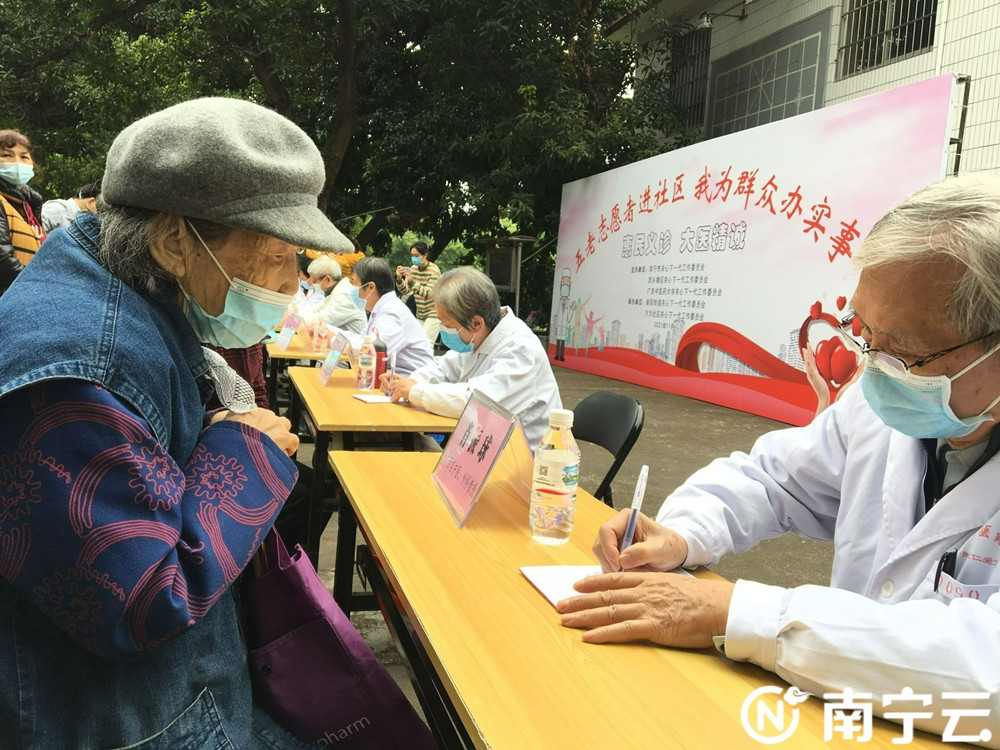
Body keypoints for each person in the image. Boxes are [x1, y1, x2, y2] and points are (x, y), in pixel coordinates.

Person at [559, 173, 1000, 744]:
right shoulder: (878, 410)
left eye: (904, 352)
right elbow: (770, 479)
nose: (875, 369)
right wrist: (682, 534)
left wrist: (739, 614)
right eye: (866, 338)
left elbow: (984, 670)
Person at [0, 97, 354, 749]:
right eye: (278, 254)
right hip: (137, 723)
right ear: (173, 243)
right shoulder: (81, 370)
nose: (291, 282)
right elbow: (139, 598)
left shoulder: (118, 290)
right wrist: (243, 452)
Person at [385, 266, 562, 446]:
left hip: (523, 457)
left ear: (476, 323)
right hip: (482, 445)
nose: (443, 330)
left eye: (447, 325)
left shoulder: (521, 351)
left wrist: (415, 391)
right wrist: (405, 383)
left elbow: (474, 402)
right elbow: (443, 369)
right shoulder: (477, 336)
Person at [351, 255, 434, 376]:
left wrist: (334, 340)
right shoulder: (381, 309)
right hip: (392, 377)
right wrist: (332, 334)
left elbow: (370, 353)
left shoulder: (392, 313)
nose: (352, 289)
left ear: (370, 287)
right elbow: (361, 339)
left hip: (410, 380)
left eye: (354, 283)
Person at [0, 129, 44, 294]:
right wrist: (42, 286)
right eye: (6, 155)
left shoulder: (29, 207)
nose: (17, 162)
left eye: (24, 157)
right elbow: (3, 263)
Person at [395, 240, 441, 343]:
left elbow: (429, 293)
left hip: (433, 312)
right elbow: (405, 290)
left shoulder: (434, 270)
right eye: (412, 255)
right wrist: (399, 279)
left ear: (425, 255)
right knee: (415, 342)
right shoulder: (413, 269)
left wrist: (411, 281)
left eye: (416, 255)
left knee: (426, 343)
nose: (414, 258)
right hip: (420, 313)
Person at [308, 254, 365, 333]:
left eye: (314, 281)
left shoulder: (345, 296)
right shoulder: (337, 290)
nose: (310, 284)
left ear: (327, 279)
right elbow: (315, 310)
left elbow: (318, 322)